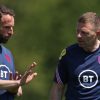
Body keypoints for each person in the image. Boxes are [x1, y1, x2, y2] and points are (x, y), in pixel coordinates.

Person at [50, 12, 100, 100]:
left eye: (84, 32)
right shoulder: (68, 54)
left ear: (97, 33)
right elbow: (58, 88)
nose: (78, 36)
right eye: (77, 31)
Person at [0, 5, 37, 100]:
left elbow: (13, 91)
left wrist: (17, 85)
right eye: (7, 27)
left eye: (12, 28)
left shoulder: (8, 54)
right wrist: (18, 83)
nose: (11, 32)